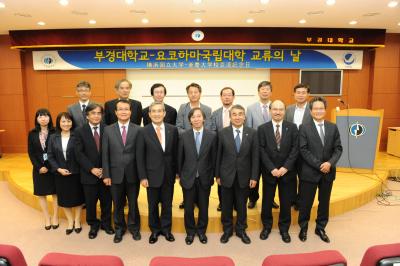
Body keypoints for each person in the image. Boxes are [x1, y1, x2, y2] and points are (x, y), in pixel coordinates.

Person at [298, 96, 343, 243]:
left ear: (325, 110)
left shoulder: (332, 127)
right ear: (310, 111)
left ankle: (320, 227)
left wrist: (329, 163)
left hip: (328, 173)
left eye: (321, 108)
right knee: (306, 202)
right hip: (309, 172)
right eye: (315, 108)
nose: (318, 111)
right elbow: (303, 150)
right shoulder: (303, 128)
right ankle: (303, 227)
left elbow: (338, 149)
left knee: (324, 202)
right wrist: (319, 165)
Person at [216, 105, 259, 244]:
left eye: (240, 114)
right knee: (226, 205)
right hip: (226, 176)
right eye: (234, 114)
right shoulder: (222, 133)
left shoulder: (252, 133)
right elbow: (218, 156)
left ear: (244, 116)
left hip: (244, 177)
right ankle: (227, 230)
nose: (237, 117)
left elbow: (255, 157)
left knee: (242, 205)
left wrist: (254, 176)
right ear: (230, 117)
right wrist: (217, 175)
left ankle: (241, 230)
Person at [137, 102, 179, 244]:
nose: (156, 114)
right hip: (151, 175)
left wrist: (177, 172)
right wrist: (142, 176)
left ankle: (166, 229)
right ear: (149, 114)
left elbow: (176, 153)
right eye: (153, 111)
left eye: (159, 111)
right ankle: (154, 230)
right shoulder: (143, 131)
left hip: (168, 174)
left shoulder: (173, 130)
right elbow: (140, 156)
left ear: (164, 113)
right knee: (152, 205)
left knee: (167, 204)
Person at [258, 100, 299, 243]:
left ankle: (284, 229)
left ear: (285, 111)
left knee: (286, 202)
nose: (277, 112)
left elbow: (295, 149)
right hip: (269, 172)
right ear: (270, 110)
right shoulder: (262, 128)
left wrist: (285, 167)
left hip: (287, 172)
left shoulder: (292, 128)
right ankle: (266, 227)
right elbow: (261, 150)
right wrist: (272, 168)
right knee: (267, 201)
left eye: (281, 109)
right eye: (275, 109)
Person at [102, 99, 141, 243]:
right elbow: (105, 154)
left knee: (133, 203)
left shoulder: (138, 129)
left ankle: (134, 228)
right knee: (117, 203)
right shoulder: (108, 129)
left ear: (131, 112)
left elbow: (140, 154)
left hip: (133, 174)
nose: (123, 111)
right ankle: (119, 229)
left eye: (126, 109)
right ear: (116, 112)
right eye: (121, 109)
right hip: (114, 174)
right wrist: (106, 174)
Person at [74, 103, 114, 239]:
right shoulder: (79, 131)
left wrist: (105, 169)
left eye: (98, 113)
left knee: (107, 201)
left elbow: (111, 152)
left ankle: (106, 224)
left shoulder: (108, 129)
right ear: (87, 115)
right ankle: (93, 225)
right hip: (88, 174)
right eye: (93, 113)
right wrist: (92, 168)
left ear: (102, 115)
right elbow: (79, 154)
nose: (96, 116)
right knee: (90, 203)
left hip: (106, 173)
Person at [178, 107, 217, 245]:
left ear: (204, 119)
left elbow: (214, 158)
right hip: (188, 177)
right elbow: (179, 158)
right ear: (190, 120)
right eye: (193, 117)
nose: (196, 119)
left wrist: (214, 175)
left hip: (205, 177)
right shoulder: (183, 136)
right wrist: (180, 175)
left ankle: (201, 231)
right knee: (188, 208)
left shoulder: (212, 135)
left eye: (199, 116)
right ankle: (190, 232)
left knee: (204, 206)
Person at [176, 82, 212, 209]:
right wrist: (190, 135)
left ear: (200, 93)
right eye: (190, 92)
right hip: (186, 144)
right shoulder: (182, 108)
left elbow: (209, 127)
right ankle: (187, 200)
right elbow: (178, 126)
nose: (193, 94)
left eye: (195, 92)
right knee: (188, 176)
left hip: (203, 144)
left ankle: (198, 200)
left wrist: (200, 133)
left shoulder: (207, 109)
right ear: (187, 94)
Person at [47, 112, 84, 235]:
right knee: (64, 199)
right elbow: (50, 156)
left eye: (68, 121)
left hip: (76, 172)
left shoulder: (77, 135)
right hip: (60, 174)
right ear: (58, 123)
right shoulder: (53, 137)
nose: (66, 124)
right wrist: (58, 169)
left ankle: (77, 221)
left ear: (72, 122)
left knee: (78, 198)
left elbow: (82, 153)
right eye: (63, 121)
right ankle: (70, 221)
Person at [245, 81, 278, 210]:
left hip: (273, 149)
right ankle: (253, 198)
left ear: (271, 92)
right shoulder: (251, 108)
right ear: (258, 92)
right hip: (256, 148)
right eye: (262, 89)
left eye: (267, 89)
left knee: (271, 177)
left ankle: (271, 199)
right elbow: (249, 128)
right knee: (255, 174)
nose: (265, 91)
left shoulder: (276, 107)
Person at [27, 108, 59, 230]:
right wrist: (39, 167)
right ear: (37, 119)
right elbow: (31, 152)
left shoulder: (55, 131)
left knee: (55, 193)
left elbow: (57, 150)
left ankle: (55, 216)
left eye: (45, 116)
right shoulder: (32, 133)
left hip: (53, 168)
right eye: (40, 116)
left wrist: (51, 166)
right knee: (41, 194)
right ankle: (46, 217)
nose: (43, 118)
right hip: (39, 169)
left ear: (50, 118)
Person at [284, 83, 312, 210]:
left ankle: (300, 201)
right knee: (290, 176)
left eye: (303, 92)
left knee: (303, 176)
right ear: (294, 94)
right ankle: (291, 199)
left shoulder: (313, 109)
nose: (300, 95)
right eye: (298, 92)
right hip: (290, 149)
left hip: (306, 149)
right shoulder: (288, 109)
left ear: (308, 94)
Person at [210, 87, 235, 211]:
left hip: (236, 150)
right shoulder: (215, 113)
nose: (226, 97)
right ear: (221, 97)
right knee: (221, 176)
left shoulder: (238, 112)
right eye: (224, 95)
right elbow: (213, 131)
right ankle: (222, 202)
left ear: (233, 97)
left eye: (229, 95)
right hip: (220, 149)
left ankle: (235, 202)